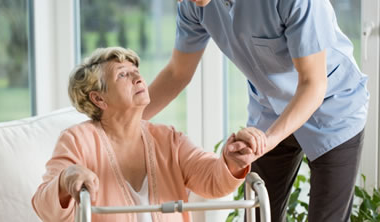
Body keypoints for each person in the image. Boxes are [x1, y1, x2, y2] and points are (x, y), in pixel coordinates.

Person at [143, 0, 369, 221]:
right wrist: (118, 120)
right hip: (270, 109)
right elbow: (177, 73)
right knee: (259, 213)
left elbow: (313, 84)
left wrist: (266, 141)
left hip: (332, 108)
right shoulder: (194, 6)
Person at [32, 46, 258, 222]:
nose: (138, 79)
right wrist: (65, 178)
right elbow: (45, 207)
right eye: (123, 75)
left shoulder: (168, 138)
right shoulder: (77, 141)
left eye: (136, 72)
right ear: (99, 99)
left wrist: (231, 161)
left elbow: (212, 179)